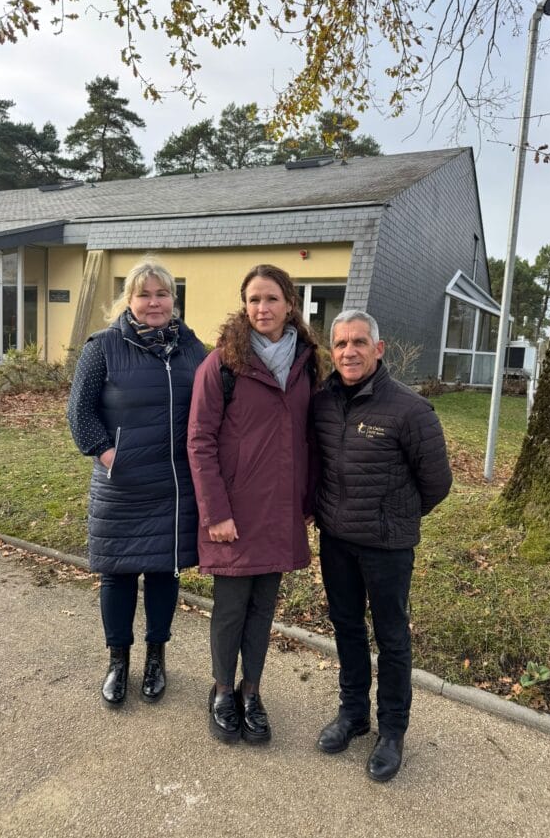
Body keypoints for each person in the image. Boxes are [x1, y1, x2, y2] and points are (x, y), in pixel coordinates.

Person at [312, 310, 452, 781]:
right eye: (340, 344)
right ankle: (353, 714)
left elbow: (437, 483)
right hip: (336, 541)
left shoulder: (410, 410)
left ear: (378, 348)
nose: (349, 352)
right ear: (332, 351)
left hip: (387, 547)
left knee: (391, 638)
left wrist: (395, 517)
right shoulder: (322, 403)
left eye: (359, 342)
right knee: (346, 627)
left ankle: (392, 731)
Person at [187, 264, 320, 744]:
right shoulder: (222, 364)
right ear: (244, 307)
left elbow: (310, 438)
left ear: (290, 304)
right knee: (230, 608)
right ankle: (223, 690)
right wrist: (216, 513)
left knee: (263, 608)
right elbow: (199, 441)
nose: (262, 308)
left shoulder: (307, 363)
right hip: (234, 513)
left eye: (271, 299)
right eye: (253, 300)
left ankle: (252, 691)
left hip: (281, 511)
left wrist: (307, 499)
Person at [67, 259, 205, 708]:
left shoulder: (192, 349)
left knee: (164, 572)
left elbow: (215, 407)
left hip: (173, 486)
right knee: (118, 574)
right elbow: (80, 411)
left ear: (173, 300)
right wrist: (109, 454)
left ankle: (156, 660)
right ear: (129, 300)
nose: (153, 302)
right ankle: (118, 661)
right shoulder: (104, 346)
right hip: (121, 485)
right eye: (144, 294)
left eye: (161, 294)